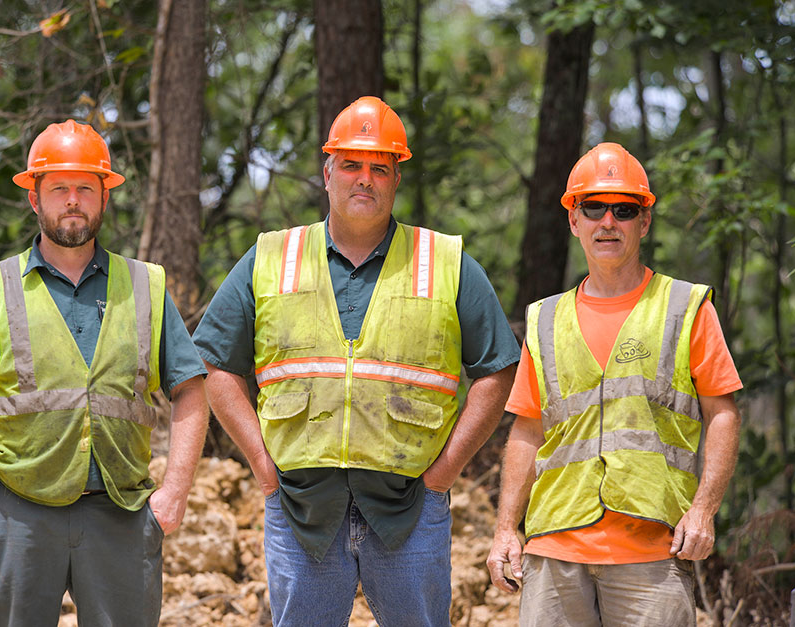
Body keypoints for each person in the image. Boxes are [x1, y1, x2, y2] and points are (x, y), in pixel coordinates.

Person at [193, 96, 519, 626]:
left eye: (379, 168)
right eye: (351, 165)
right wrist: (261, 463)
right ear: (327, 173)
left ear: (396, 180)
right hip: (301, 509)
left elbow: (498, 369)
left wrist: (443, 476)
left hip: (410, 507)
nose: (364, 179)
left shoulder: (444, 261)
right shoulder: (273, 256)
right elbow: (213, 362)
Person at [0, 119, 209, 627]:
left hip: (120, 514)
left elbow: (190, 391)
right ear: (35, 198)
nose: (72, 200)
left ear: (104, 196)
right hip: (18, 516)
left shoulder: (145, 285)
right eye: (59, 188)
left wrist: (174, 491)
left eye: (84, 188)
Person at [486, 142, 742, 626]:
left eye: (624, 210)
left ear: (643, 222)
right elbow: (526, 431)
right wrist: (505, 530)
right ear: (573, 219)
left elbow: (723, 413)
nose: (608, 222)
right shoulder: (545, 320)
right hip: (555, 550)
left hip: (651, 552)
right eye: (594, 208)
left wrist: (704, 511)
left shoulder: (685, 308)